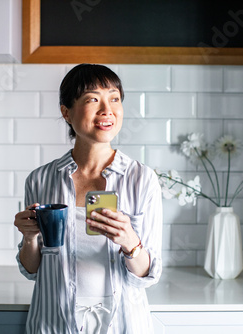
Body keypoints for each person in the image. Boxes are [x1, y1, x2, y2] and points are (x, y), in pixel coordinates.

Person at [14, 64, 163, 334]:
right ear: (66, 112)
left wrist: (130, 242)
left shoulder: (141, 178)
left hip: (122, 323)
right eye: (93, 99)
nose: (107, 110)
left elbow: (147, 275)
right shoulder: (40, 180)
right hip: (54, 322)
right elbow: (32, 269)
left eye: (114, 98)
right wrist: (29, 237)